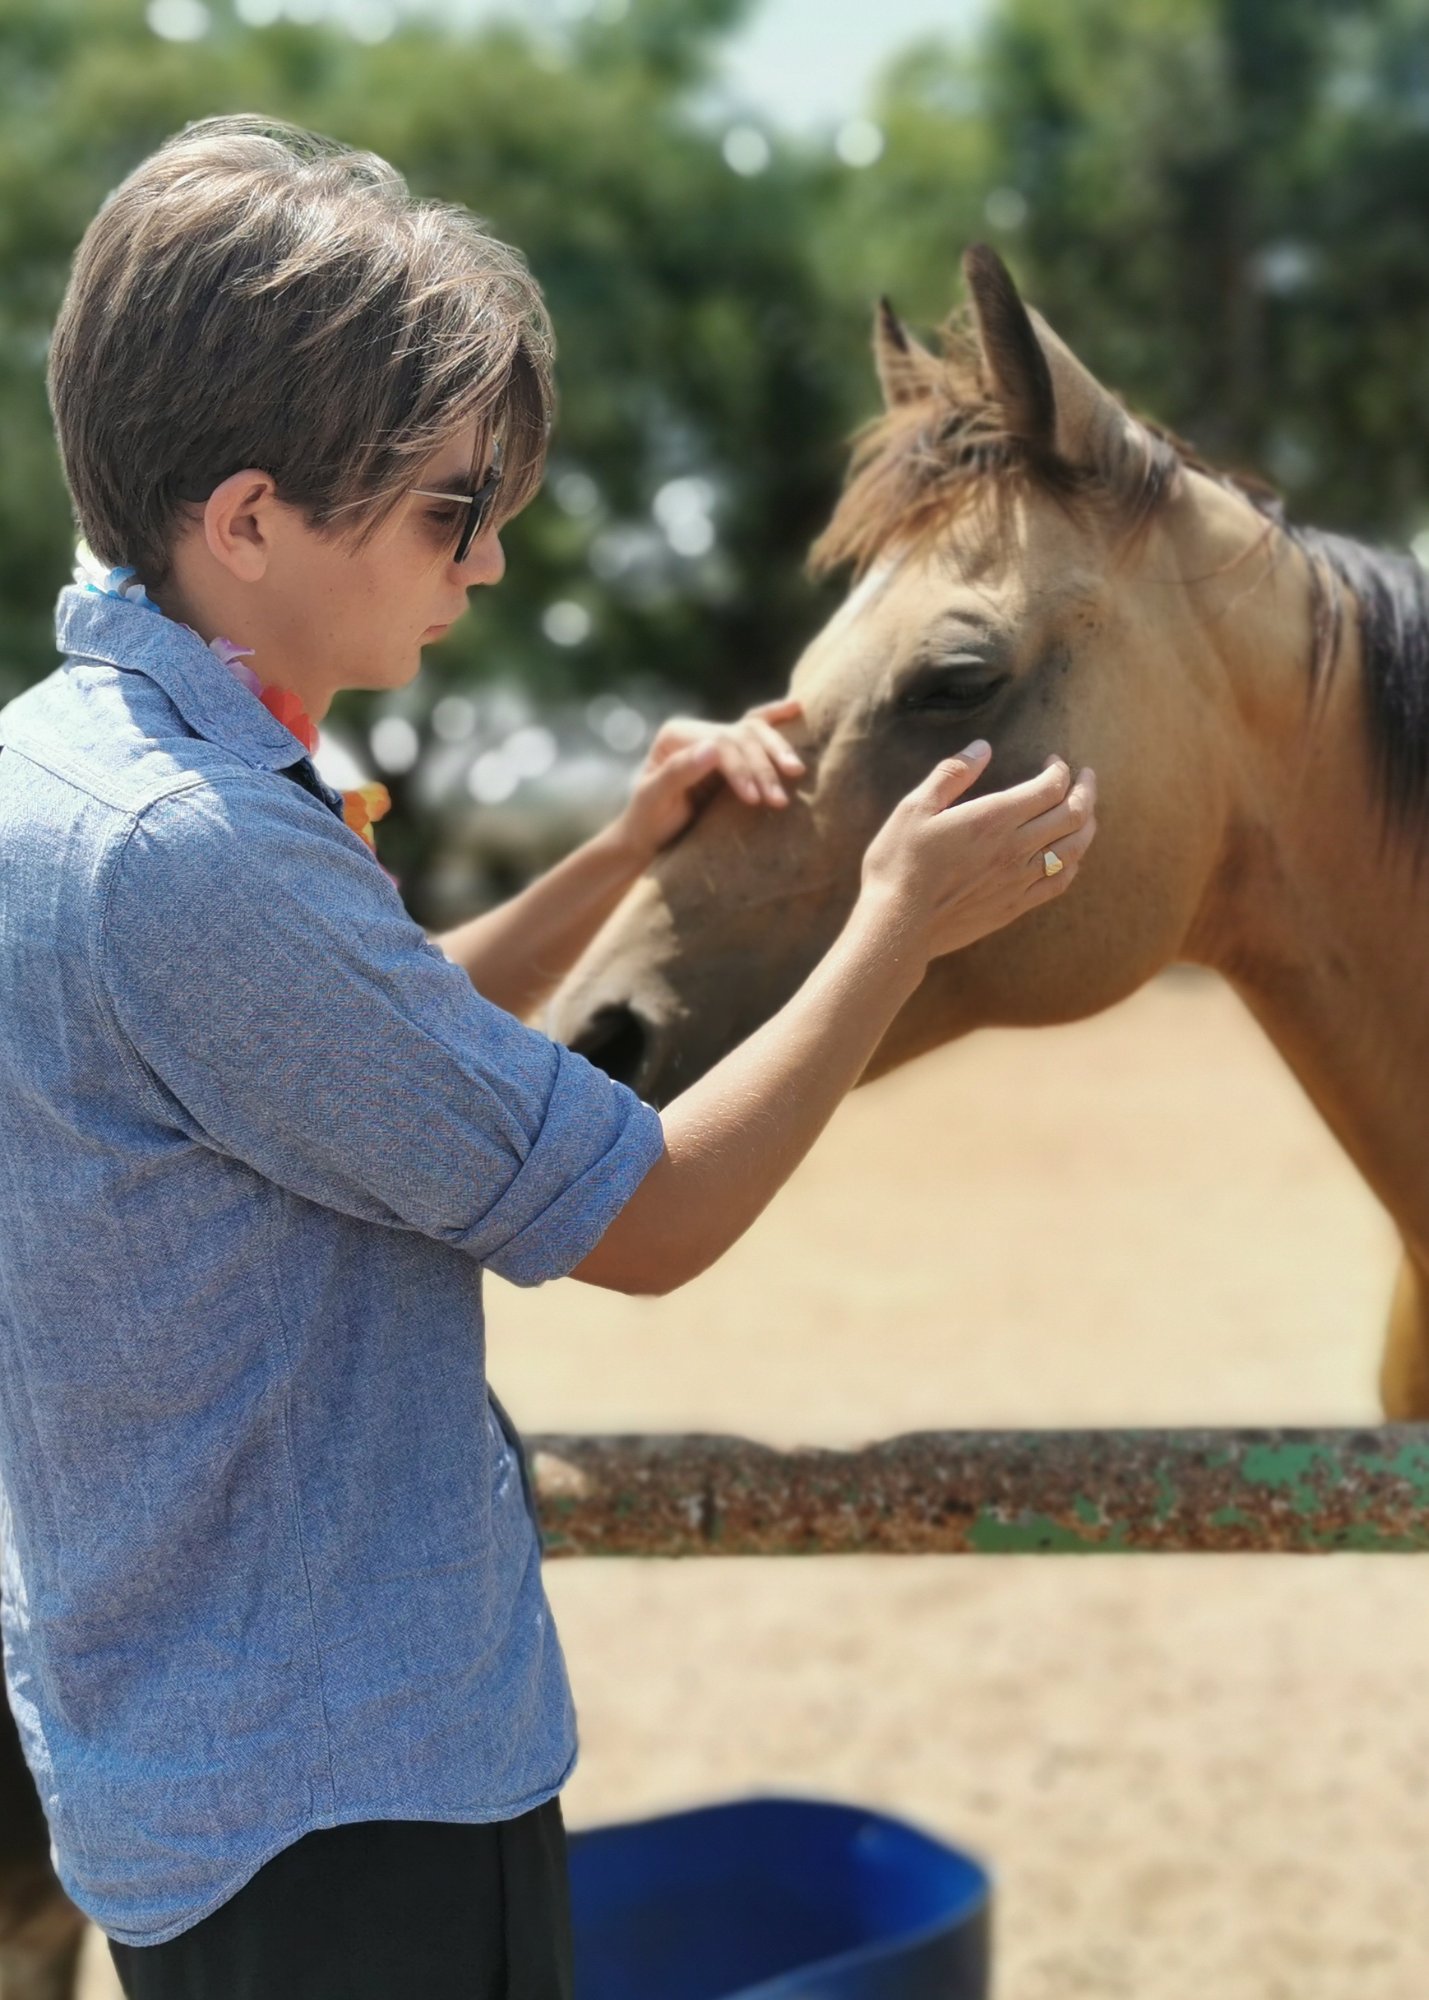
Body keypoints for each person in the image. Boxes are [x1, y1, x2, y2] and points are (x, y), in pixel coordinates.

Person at [0, 112, 1097, 2000]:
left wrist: (613, 851)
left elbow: (351, 1036)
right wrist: (892, 924)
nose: (491, 561)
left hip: (203, 1759)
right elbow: (649, 1218)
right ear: (247, 518)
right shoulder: (201, 851)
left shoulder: (65, 762)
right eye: (450, 507)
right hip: (345, 1801)